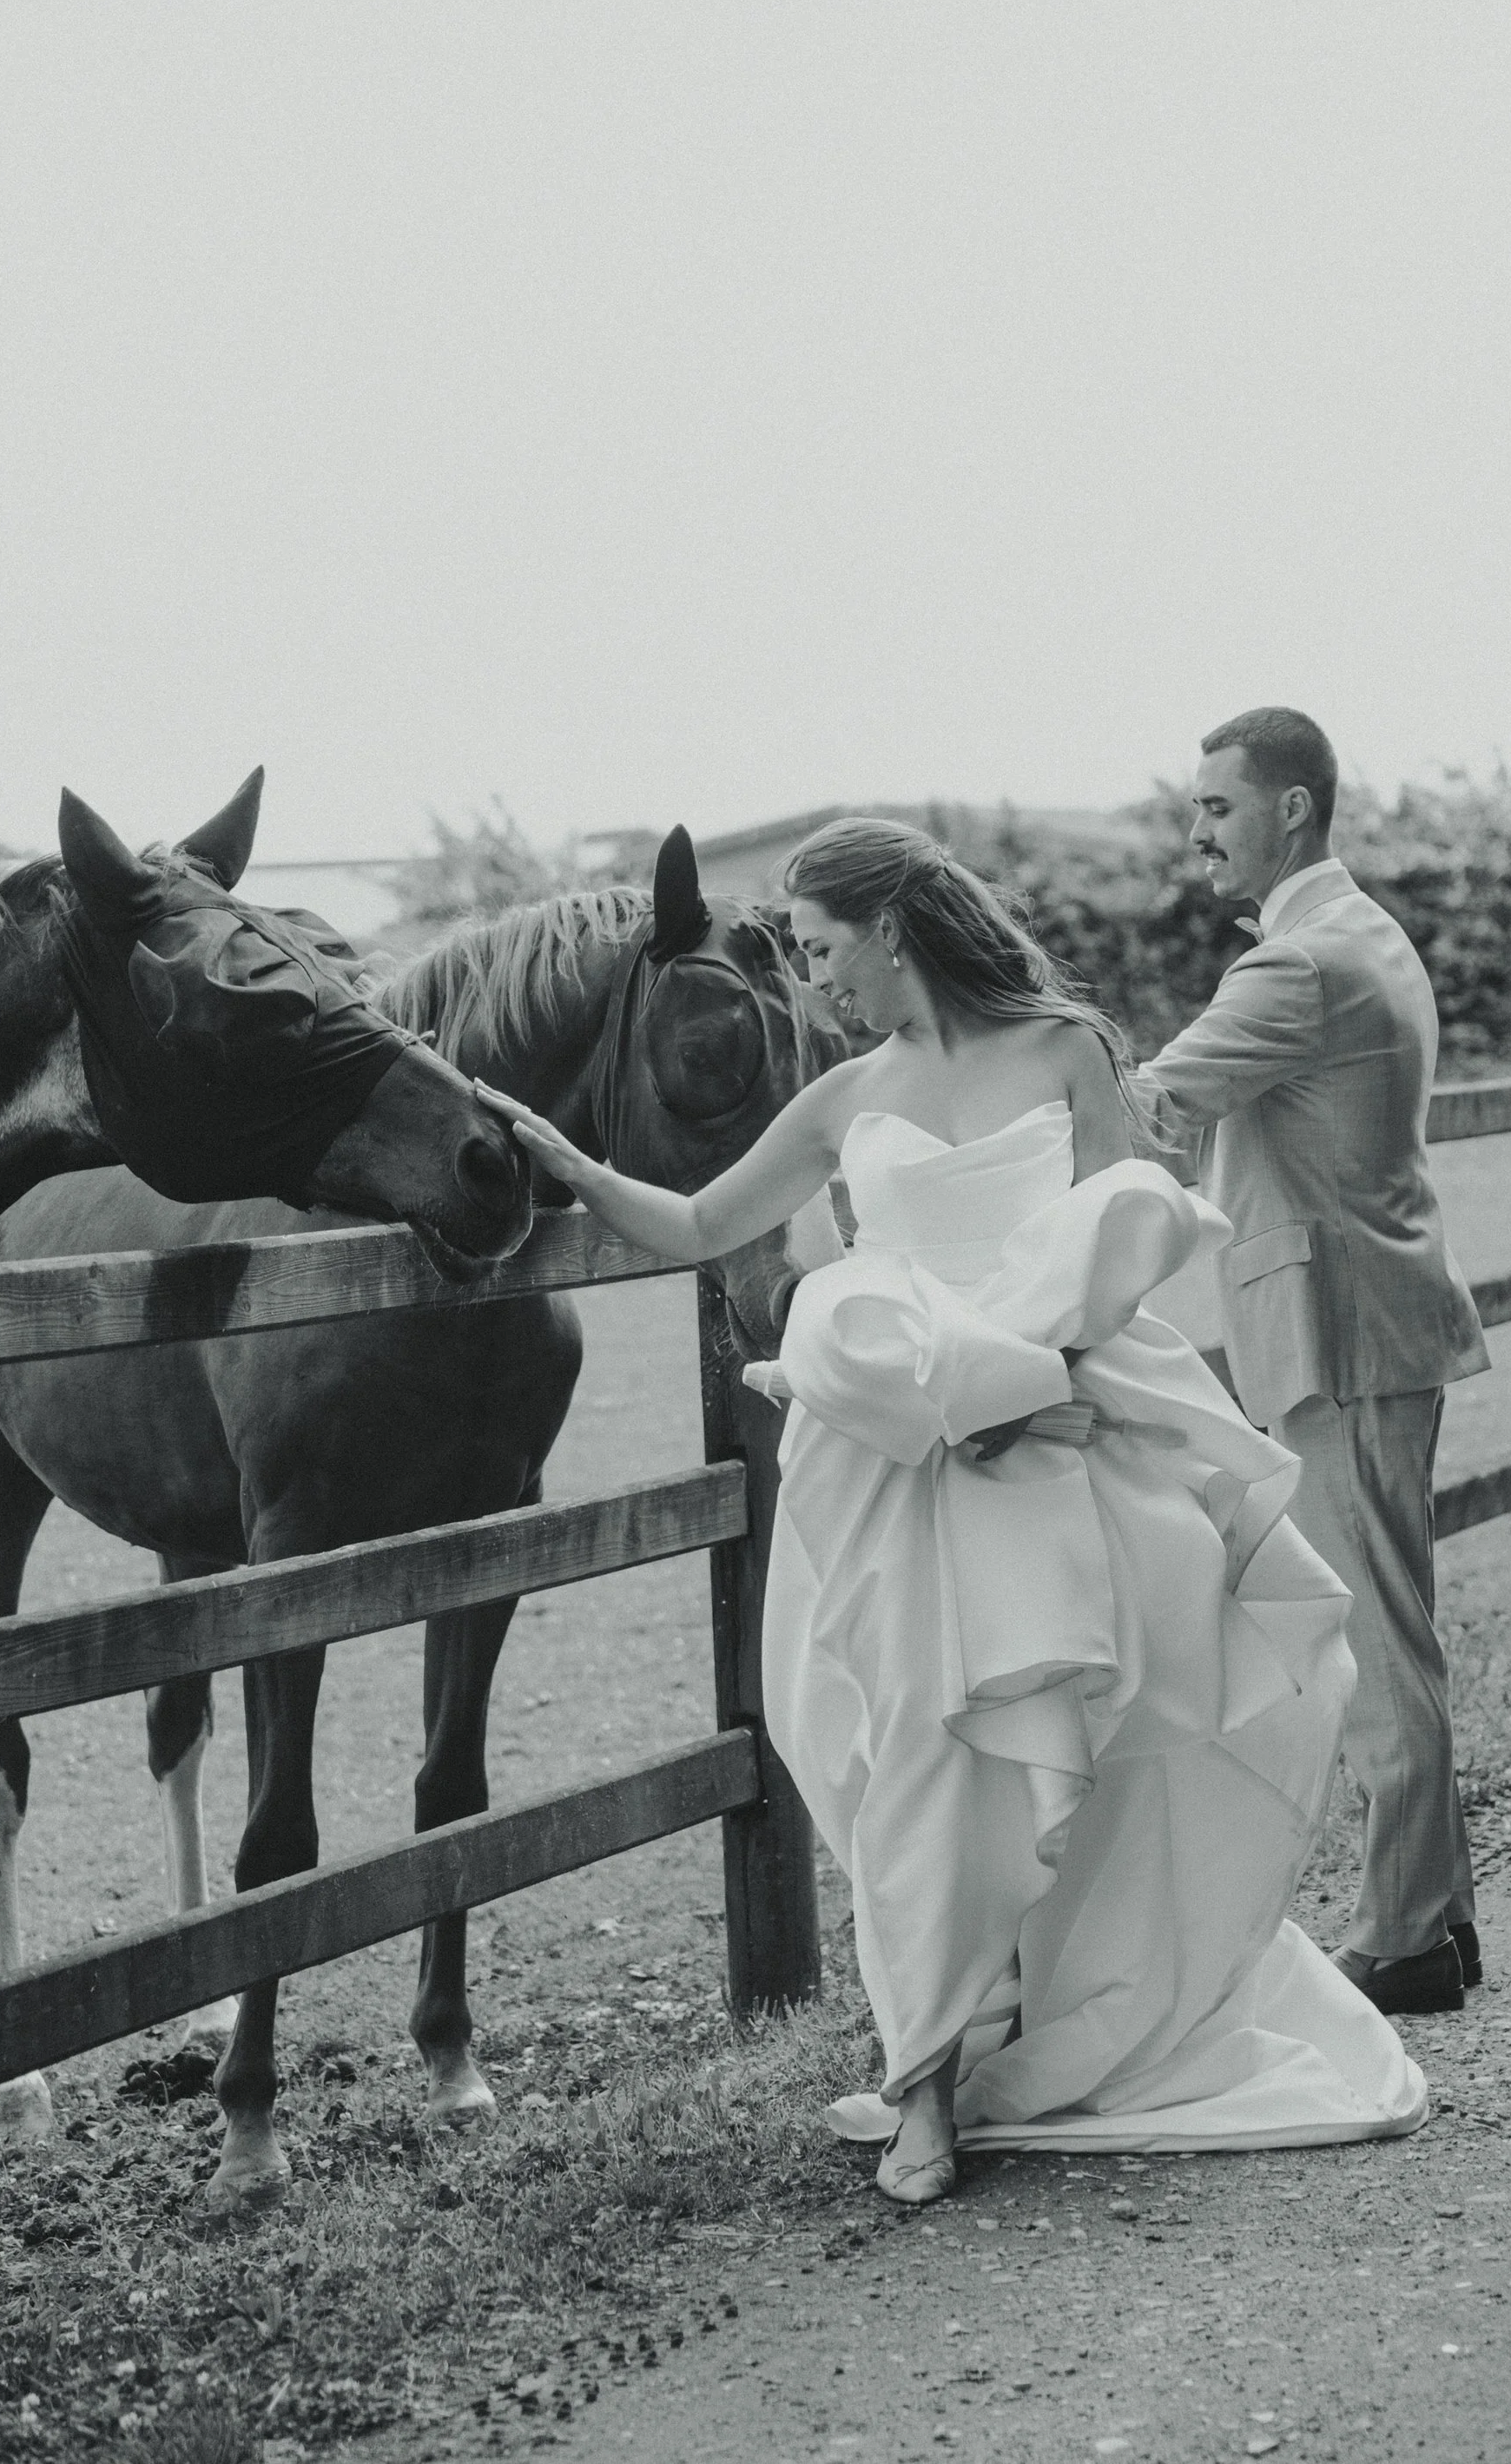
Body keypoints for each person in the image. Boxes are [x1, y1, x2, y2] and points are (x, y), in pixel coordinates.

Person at [477, 816, 1427, 2206]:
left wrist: (1041, 1379)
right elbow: (694, 1226)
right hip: (893, 1471)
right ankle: (921, 2077)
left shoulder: (1063, 1050)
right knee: (902, 1756)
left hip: (1057, 1447)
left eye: (817, 950)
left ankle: (1023, 2033)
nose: (812, 987)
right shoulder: (844, 1094)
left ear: (892, 928)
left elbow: (1130, 1223)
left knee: (1084, 1756)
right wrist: (567, 1163)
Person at [1137, 709, 1489, 2016]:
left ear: (1289, 809)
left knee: (1371, 1635)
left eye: (1217, 808)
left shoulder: (1295, 967)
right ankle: (1436, 1920)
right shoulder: (1365, 932)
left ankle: (1404, 1942)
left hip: (1336, 1330)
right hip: (1381, 1315)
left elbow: (1149, 1105)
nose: (1198, 833)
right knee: (1396, 1621)